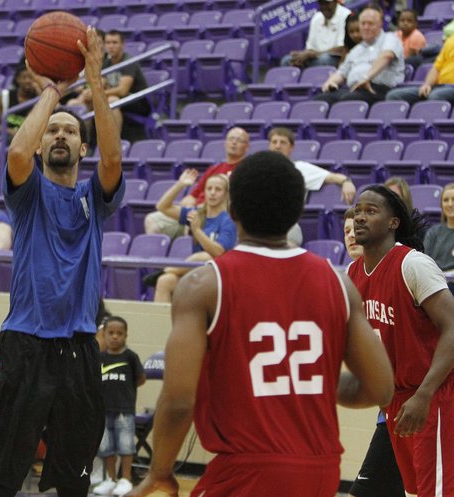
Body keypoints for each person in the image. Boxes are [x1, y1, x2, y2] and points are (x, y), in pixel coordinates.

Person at [127, 151, 394, 497]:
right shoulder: (338, 283)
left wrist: (159, 473)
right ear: (298, 211)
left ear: (233, 210)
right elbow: (380, 389)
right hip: (321, 470)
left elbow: (178, 400)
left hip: (245, 470)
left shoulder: (203, 286)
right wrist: (308, 382)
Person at [0, 26, 124, 497]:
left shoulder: (94, 198)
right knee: (5, 475)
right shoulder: (27, 195)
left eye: (71, 132)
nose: (60, 135)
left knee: (74, 478)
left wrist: (95, 82)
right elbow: (17, 151)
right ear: (43, 146)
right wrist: (53, 91)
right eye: (53, 131)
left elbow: (114, 160)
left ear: (83, 148)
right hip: (25, 343)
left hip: (80, 347)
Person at [349, 185, 454, 497]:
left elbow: (452, 328)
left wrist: (424, 395)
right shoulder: (353, 273)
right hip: (396, 401)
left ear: (393, 222)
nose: (360, 218)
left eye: (371, 211)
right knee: (417, 491)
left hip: (433, 394)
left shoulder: (413, 264)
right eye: (357, 212)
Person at [344, 206, 405, 497]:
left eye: (355, 229)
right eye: (346, 231)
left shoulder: (401, 269)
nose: (351, 235)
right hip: (390, 407)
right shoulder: (350, 279)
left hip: (416, 399)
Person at [144, 127, 249, 239]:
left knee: (194, 219)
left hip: (214, 215)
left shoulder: (245, 170)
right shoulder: (214, 169)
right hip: (195, 211)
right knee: (152, 220)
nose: (234, 142)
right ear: (225, 143)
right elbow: (193, 196)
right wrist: (188, 204)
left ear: (247, 147)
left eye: (239, 140)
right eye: (231, 139)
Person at [148, 172, 236, 303]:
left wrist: (197, 230)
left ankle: (165, 270)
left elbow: (219, 252)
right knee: (165, 281)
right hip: (196, 272)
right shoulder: (198, 214)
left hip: (219, 275)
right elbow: (162, 207)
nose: (212, 193)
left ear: (226, 194)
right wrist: (180, 185)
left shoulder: (228, 220)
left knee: (204, 256)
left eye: (218, 189)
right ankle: (161, 323)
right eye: (209, 188)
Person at [92, 316, 145, 497]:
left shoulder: (130, 357)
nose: (115, 337)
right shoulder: (100, 357)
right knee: (106, 447)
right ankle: (111, 479)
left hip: (124, 410)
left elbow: (140, 379)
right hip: (104, 410)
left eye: (119, 333)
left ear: (126, 336)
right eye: (111, 333)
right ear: (104, 335)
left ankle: (126, 479)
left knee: (125, 445)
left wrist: (125, 392)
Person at [317, 7, 405, 105]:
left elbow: (387, 56)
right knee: (320, 99)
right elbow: (342, 72)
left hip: (379, 89)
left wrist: (366, 78)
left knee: (349, 101)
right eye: (363, 23)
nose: (366, 27)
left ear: (380, 24)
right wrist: (331, 82)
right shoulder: (356, 50)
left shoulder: (390, 38)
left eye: (370, 23)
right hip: (355, 89)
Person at [99, 30, 150, 141]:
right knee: (81, 102)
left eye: (114, 42)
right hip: (118, 98)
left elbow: (122, 91)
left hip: (138, 101)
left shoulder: (128, 61)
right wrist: (89, 94)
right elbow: (100, 84)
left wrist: (99, 93)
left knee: (111, 100)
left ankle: (114, 142)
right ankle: (86, 144)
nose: (111, 46)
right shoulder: (106, 63)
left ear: (122, 44)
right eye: (108, 43)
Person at [386, 30, 454, 104]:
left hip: (450, 88)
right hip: (439, 86)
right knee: (394, 96)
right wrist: (427, 84)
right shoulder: (451, 40)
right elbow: (436, 68)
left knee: (436, 96)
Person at [281, 0, 352, 68]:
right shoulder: (316, 17)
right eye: (321, 3)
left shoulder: (346, 15)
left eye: (327, 3)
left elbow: (342, 48)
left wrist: (315, 54)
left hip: (336, 58)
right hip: (315, 58)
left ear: (335, 2)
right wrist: (301, 55)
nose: (324, 7)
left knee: (325, 59)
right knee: (287, 60)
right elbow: (310, 47)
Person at [0, 65, 41, 141]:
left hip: (28, 139)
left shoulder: (38, 98)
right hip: (7, 138)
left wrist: (38, 91)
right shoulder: (5, 96)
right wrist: (10, 132)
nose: (28, 81)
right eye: (24, 78)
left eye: (31, 78)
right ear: (17, 79)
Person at [423, 182, 454, 271]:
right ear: (441, 205)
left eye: (453, 199)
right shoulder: (432, 233)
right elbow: (425, 264)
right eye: (446, 200)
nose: (450, 204)